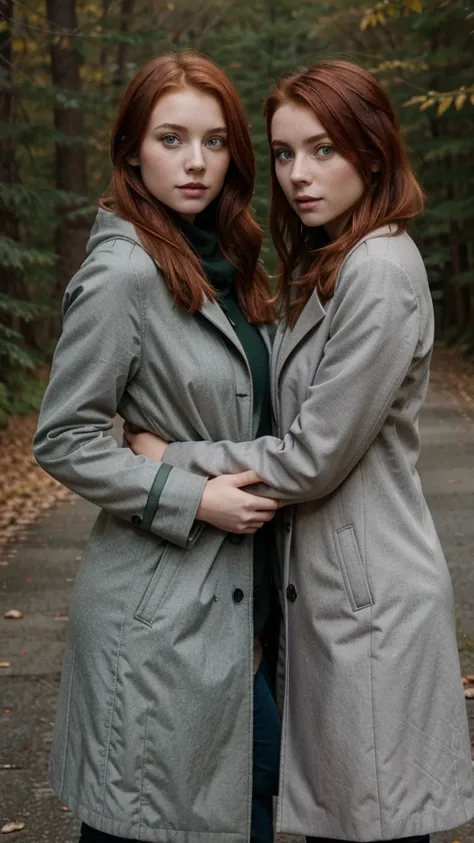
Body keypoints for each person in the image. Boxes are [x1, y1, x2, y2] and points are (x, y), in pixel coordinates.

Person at [126, 60, 474, 843]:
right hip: (324, 595)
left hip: (371, 598)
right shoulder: (332, 260)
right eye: (284, 154)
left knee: (375, 824)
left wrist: (170, 458)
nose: (297, 175)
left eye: (323, 150)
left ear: (374, 153)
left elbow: (313, 455)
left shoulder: (380, 270)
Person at [33, 51, 282, 843]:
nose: (196, 162)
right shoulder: (122, 273)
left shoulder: (233, 262)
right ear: (133, 150)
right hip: (161, 612)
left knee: (241, 802)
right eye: (171, 138)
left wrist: (172, 451)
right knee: (149, 818)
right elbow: (64, 436)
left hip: (242, 609)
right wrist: (190, 491)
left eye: (214, 141)